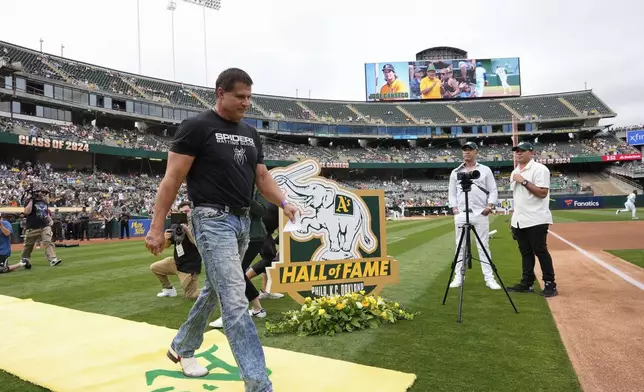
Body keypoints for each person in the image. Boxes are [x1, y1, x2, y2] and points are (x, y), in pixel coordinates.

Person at [145, 68, 297, 390]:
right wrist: (156, 227)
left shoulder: (251, 133)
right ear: (220, 93)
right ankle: (259, 385)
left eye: (249, 97)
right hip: (212, 220)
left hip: (242, 222)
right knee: (235, 299)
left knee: (216, 289)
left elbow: (263, 178)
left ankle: (183, 346)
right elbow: (171, 179)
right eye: (240, 96)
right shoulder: (197, 127)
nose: (246, 103)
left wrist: (284, 203)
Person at [507, 142, 558, 297]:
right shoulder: (515, 171)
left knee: (540, 251)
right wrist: (513, 220)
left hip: (536, 218)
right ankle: (527, 282)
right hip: (520, 219)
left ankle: (550, 283)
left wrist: (523, 181)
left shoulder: (540, 169)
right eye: (517, 151)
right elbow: (519, 198)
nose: (518, 153)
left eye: (522, 151)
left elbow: (542, 193)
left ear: (531, 152)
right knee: (525, 253)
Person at [448, 142, 501, 290]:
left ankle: (489, 279)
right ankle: (458, 277)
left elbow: (493, 190)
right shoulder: (455, 172)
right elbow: (451, 192)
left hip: (480, 213)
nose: (466, 152)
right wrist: (454, 208)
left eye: (470, 150)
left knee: (483, 246)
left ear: (476, 152)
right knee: (460, 246)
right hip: (461, 213)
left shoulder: (485, 170)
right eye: (464, 150)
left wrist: (489, 206)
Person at [150, 201, 201, 300]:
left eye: (187, 211)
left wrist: (187, 231)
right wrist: (166, 238)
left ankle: (211, 291)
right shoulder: (176, 226)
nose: (184, 214)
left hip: (189, 267)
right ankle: (169, 289)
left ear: (192, 211)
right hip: (176, 262)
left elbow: (198, 245)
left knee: (190, 296)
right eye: (181, 212)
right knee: (155, 267)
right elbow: (166, 246)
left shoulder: (198, 225)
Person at [20, 188, 62, 267]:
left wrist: (50, 220)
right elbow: (26, 212)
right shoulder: (29, 201)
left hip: (44, 226)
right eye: (42, 192)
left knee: (48, 242)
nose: (43, 194)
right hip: (32, 227)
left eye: (44, 193)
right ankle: (24, 258)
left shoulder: (44, 202)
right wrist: (32, 199)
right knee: (28, 245)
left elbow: (44, 213)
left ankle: (52, 259)